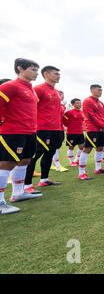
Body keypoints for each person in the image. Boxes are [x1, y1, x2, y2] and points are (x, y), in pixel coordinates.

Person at [0, 59, 42, 214]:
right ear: (20, 68)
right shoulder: (10, 86)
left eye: (37, 70)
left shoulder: (31, 89)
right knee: (7, 163)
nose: (36, 73)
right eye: (33, 69)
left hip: (30, 131)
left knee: (25, 160)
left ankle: (18, 193)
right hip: (13, 132)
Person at [24, 66, 65, 190]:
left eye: (59, 74)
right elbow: (30, 108)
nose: (58, 76)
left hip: (56, 129)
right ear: (46, 74)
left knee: (50, 153)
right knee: (34, 156)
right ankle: (27, 185)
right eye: (55, 73)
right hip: (42, 128)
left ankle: (44, 179)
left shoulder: (57, 92)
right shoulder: (38, 89)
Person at [78, 84, 104, 180]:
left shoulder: (101, 103)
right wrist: (103, 126)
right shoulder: (88, 101)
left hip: (101, 130)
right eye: (99, 90)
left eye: (101, 90)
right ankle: (81, 173)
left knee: (100, 148)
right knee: (87, 149)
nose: (101, 91)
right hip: (92, 129)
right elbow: (91, 117)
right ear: (92, 90)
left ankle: (98, 169)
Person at [63, 98, 85, 167]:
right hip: (71, 133)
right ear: (73, 104)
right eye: (77, 103)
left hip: (80, 133)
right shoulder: (69, 112)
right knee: (71, 147)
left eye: (80, 102)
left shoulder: (82, 112)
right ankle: (71, 161)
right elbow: (64, 121)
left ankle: (77, 159)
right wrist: (69, 126)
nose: (79, 104)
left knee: (82, 147)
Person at [51, 90, 69, 172]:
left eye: (62, 94)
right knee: (53, 147)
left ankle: (52, 164)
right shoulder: (54, 104)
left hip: (60, 128)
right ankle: (58, 165)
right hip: (52, 128)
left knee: (56, 146)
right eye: (59, 94)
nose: (61, 96)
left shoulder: (63, 106)